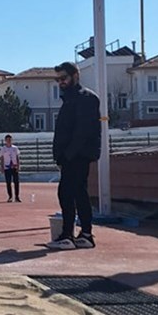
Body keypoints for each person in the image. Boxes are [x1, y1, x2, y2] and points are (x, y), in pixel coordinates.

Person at [47, 62, 101, 250]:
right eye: (58, 79)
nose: (60, 82)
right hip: (72, 155)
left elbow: (82, 131)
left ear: (75, 76)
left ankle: (68, 235)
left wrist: (67, 155)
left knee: (67, 193)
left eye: (64, 78)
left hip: (78, 155)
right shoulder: (70, 99)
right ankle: (84, 234)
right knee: (78, 192)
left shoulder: (85, 98)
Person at [0, 135, 21, 202]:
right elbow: (2, 158)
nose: (9, 141)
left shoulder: (15, 148)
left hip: (14, 166)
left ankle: (17, 196)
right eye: (7, 139)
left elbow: (17, 157)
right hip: (7, 167)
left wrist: (18, 166)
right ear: (5, 140)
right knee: (8, 182)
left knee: (16, 182)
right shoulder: (3, 149)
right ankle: (10, 196)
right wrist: (2, 167)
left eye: (10, 139)